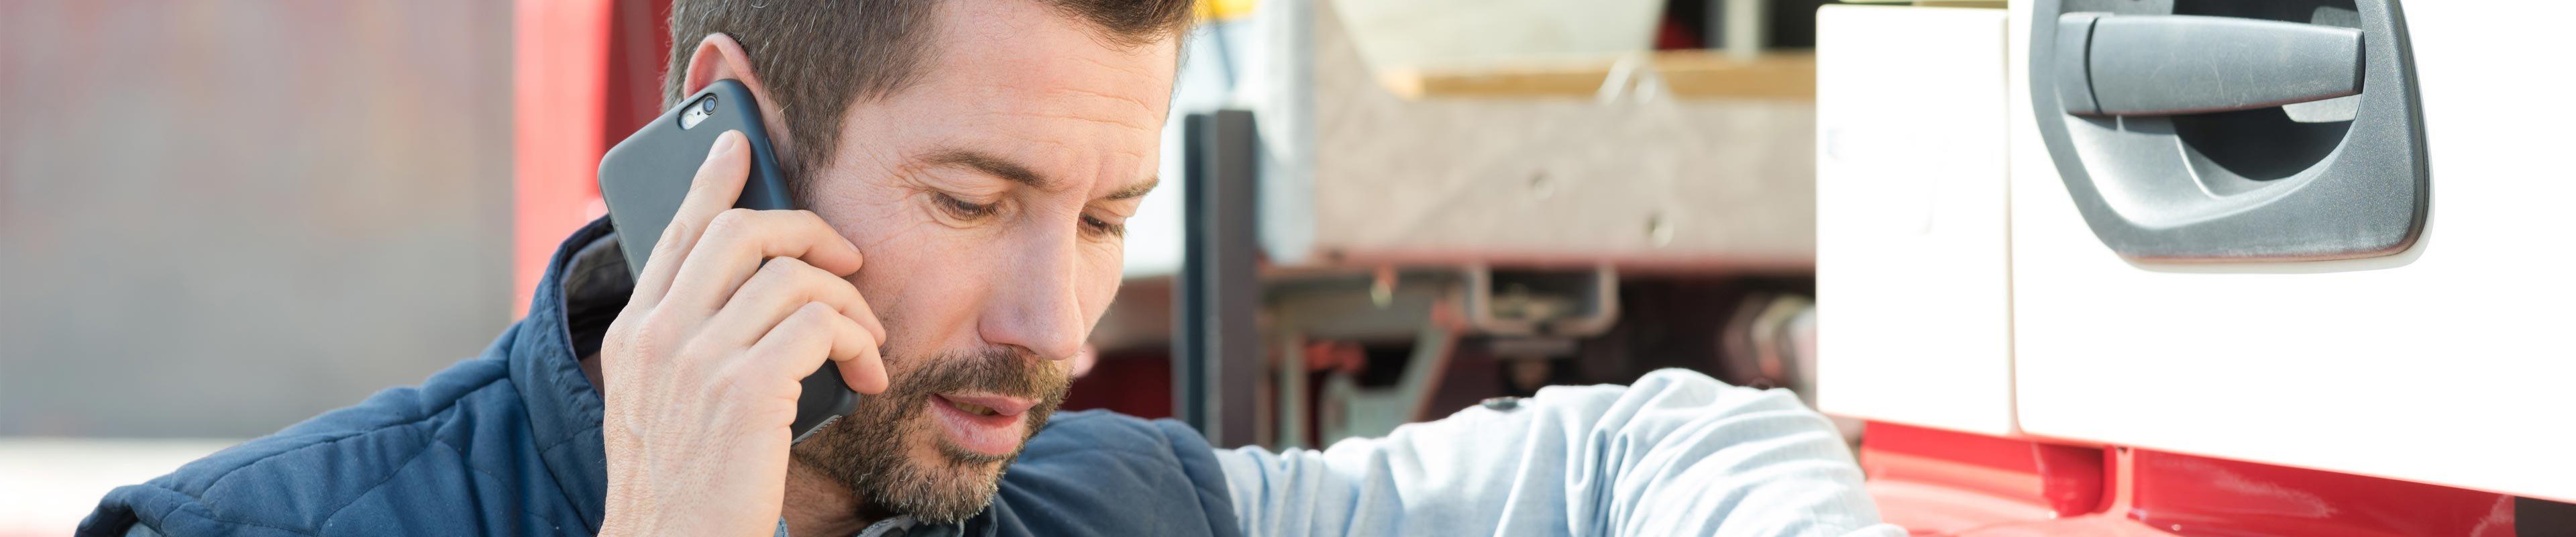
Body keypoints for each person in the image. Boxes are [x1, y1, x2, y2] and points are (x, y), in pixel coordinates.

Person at [80, 1, 1897, 535]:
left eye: (1103, 223)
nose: (1053, 331)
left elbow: (1653, 446)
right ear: (731, 143)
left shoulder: (1112, 503)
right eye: (973, 199)